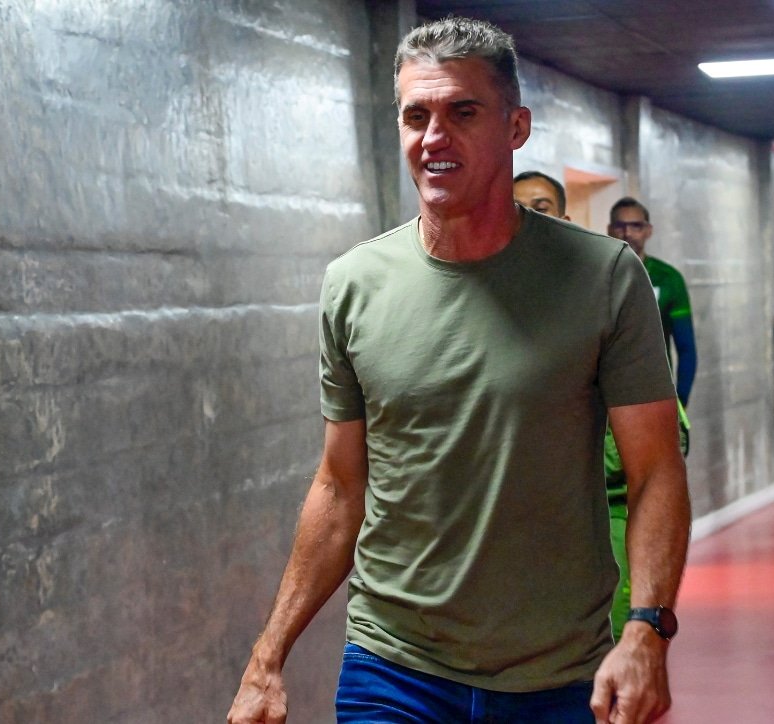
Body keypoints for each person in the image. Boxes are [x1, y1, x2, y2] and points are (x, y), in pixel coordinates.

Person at [228, 18, 691, 724]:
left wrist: (647, 630)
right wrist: (267, 656)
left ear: (515, 127)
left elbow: (655, 469)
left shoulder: (603, 277)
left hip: (555, 672)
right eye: (416, 116)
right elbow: (340, 484)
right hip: (393, 664)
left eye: (463, 113)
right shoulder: (353, 284)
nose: (434, 137)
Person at [512, 171, 691, 641]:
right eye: (515, 207)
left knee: (609, 636)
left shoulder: (605, 292)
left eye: (540, 208)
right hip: (524, 523)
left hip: (606, 500)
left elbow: (656, 464)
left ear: (565, 220)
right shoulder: (492, 305)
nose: (526, 219)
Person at [607, 198, 698, 407]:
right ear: (609, 230)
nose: (627, 233)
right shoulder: (595, 276)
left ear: (648, 231)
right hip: (604, 399)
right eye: (620, 226)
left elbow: (686, 348)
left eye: (636, 226)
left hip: (654, 395)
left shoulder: (668, 279)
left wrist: (681, 401)